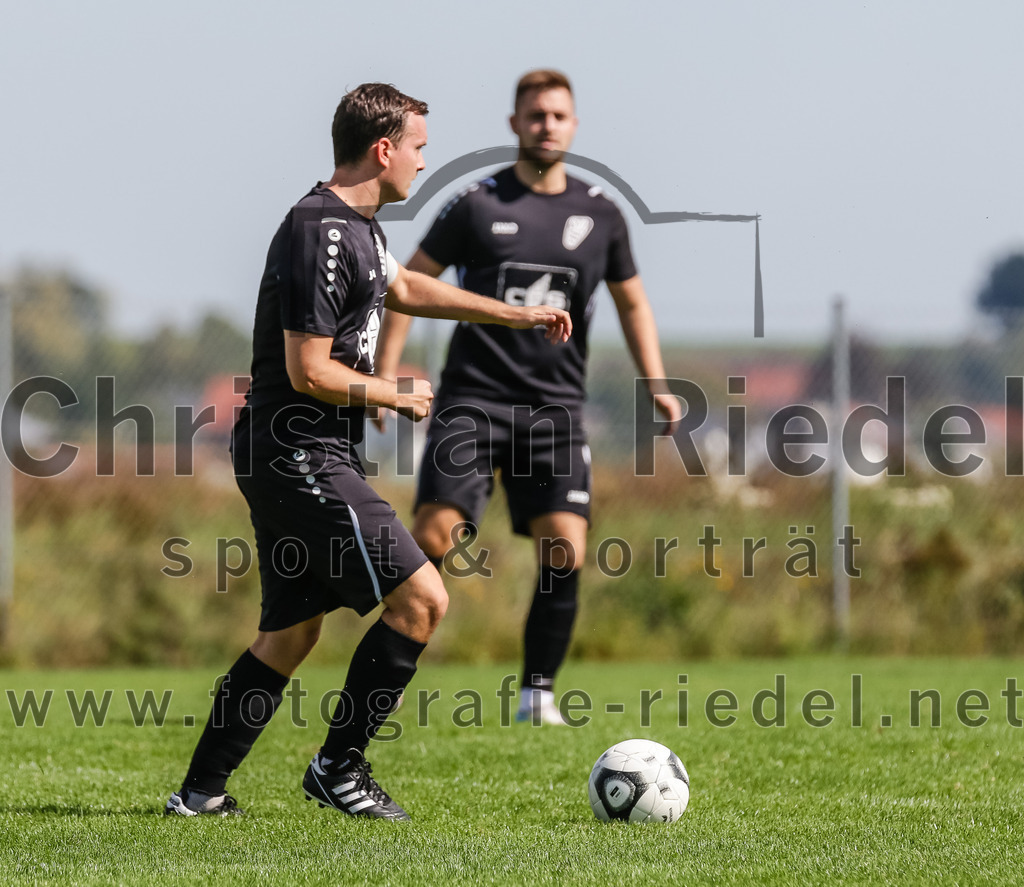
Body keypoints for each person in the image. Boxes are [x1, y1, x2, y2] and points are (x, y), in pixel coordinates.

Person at [165, 83, 571, 820]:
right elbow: (307, 370)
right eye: (417, 146)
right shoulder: (318, 229)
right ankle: (338, 766)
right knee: (422, 599)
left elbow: (408, 285)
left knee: (289, 634)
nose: (423, 160)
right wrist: (397, 393)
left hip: (302, 451)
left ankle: (198, 793)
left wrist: (515, 314)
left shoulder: (362, 229)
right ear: (384, 149)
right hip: (298, 452)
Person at [374, 69, 683, 725]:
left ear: (573, 125)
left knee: (566, 546)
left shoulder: (601, 213)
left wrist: (656, 381)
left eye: (558, 115)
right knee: (435, 531)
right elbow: (405, 284)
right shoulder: (476, 204)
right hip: (473, 401)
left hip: (555, 410)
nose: (547, 125)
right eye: (535, 114)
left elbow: (633, 303)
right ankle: (388, 668)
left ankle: (537, 693)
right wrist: (386, 371)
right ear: (515, 123)